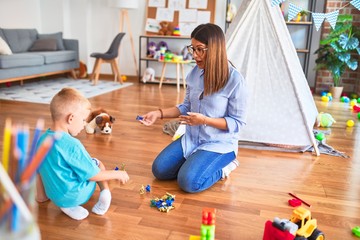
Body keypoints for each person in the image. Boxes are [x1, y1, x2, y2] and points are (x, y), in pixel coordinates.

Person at [139, 23, 247, 193]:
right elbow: (186, 106)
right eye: (192, 49)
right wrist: (158, 114)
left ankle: (225, 167)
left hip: (219, 144)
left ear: (215, 49)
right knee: (159, 170)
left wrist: (204, 120)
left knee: (188, 183)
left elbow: (237, 123)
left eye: (200, 49)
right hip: (192, 139)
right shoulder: (194, 74)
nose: (194, 55)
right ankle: (195, 161)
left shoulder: (235, 80)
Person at [35, 87, 129, 220]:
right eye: (84, 120)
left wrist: (41, 197)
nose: (84, 125)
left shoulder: (41, 140)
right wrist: (118, 173)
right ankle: (105, 193)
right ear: (71, 118)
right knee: (96, 163)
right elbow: (94, 175)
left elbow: (38, 170)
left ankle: (65, 206)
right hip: (76, 195)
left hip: (55, 196)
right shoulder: (72, 145)